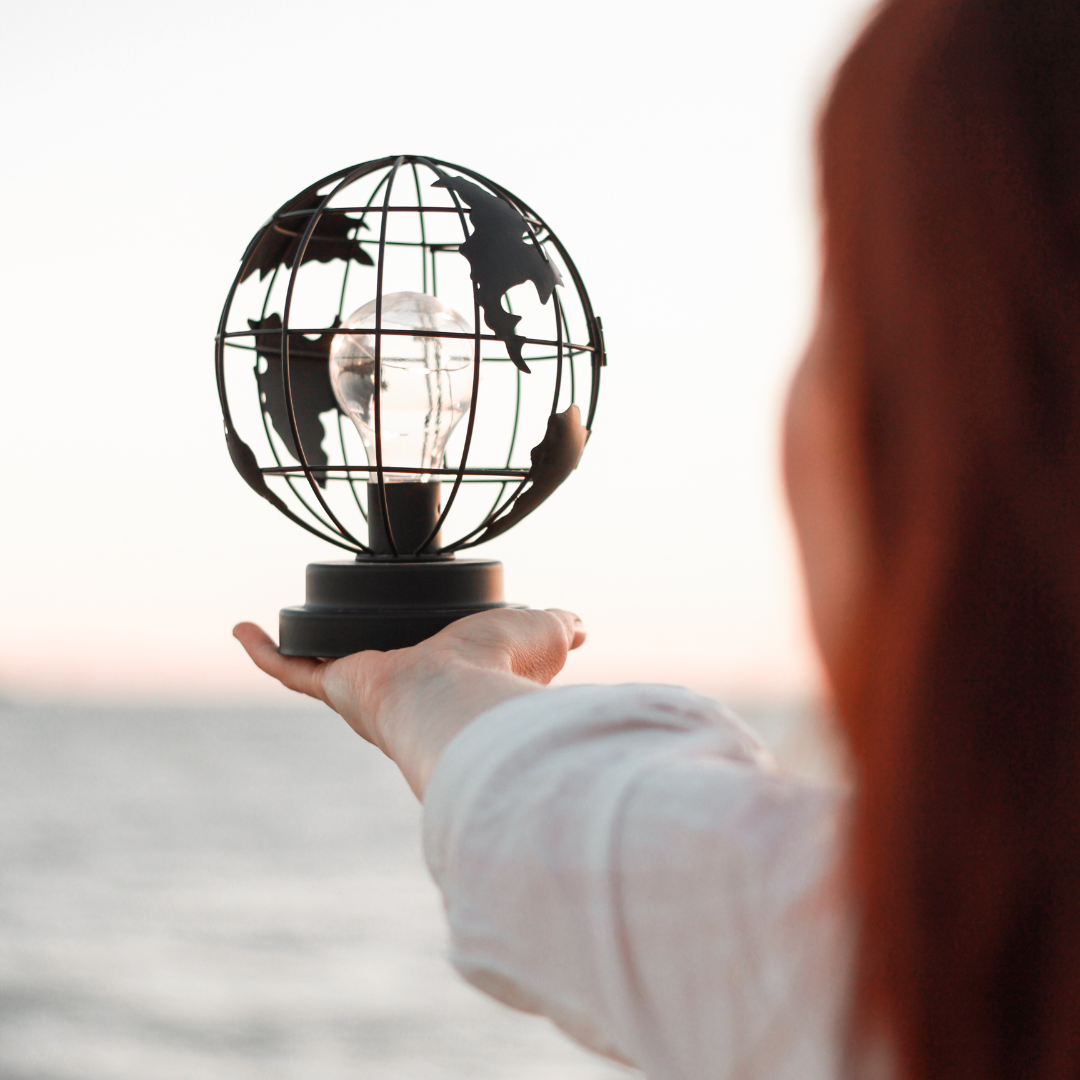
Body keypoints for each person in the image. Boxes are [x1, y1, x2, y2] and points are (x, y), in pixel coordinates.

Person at [235, 1, 1080, 1076]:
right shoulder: (890, 951)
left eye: (851, 313)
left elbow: (608, 854)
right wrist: (432, 689)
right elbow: (580, 825)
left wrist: (434, 691)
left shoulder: (882, 979)